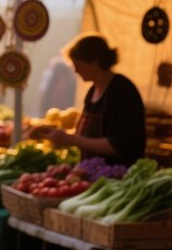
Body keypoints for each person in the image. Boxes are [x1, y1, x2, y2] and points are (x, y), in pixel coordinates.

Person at [46, 34, 145, 165]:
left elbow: (116, 145)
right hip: (92, 173)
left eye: (78, 65)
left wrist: (72, 140)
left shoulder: (122, 91)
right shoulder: (92, 91)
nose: (75, 71)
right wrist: (58, 134)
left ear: (94, 62)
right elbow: (84, 134)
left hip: (117, 176)